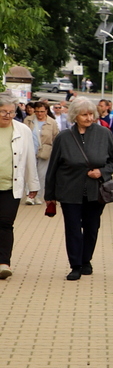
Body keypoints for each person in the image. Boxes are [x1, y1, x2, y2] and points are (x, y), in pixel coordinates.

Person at [43, 96, 113, 281]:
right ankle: (75, 265)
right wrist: (49, 195)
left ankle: (86, 260)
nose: (88, 118)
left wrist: (102, 172)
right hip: (69, 190)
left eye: (90, 114)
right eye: (83, 114)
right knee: (72, 228)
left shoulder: (104, 134)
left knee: (92, 227)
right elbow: (53, 166)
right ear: (74, 116)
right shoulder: (64, 137)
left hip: (95, 191)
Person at [0, 94, 41, 280]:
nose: (8, 115)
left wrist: (33, 185)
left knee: (6, 224)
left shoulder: (22, 130)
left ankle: (3, 263)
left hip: (11, 186)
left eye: (11, 112)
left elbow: (29, 159)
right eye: (3, 112)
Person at [26, 101, 56, 204]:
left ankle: (38, 196)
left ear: (46, 111)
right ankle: (29, 196)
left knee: (41, 175)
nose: (39, 114)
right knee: (30, 173)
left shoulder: (52, 122)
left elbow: (56, 137)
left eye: (42, 111)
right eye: (37, 111)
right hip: (30, 150)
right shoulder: (28, 120)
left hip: (45, 151)